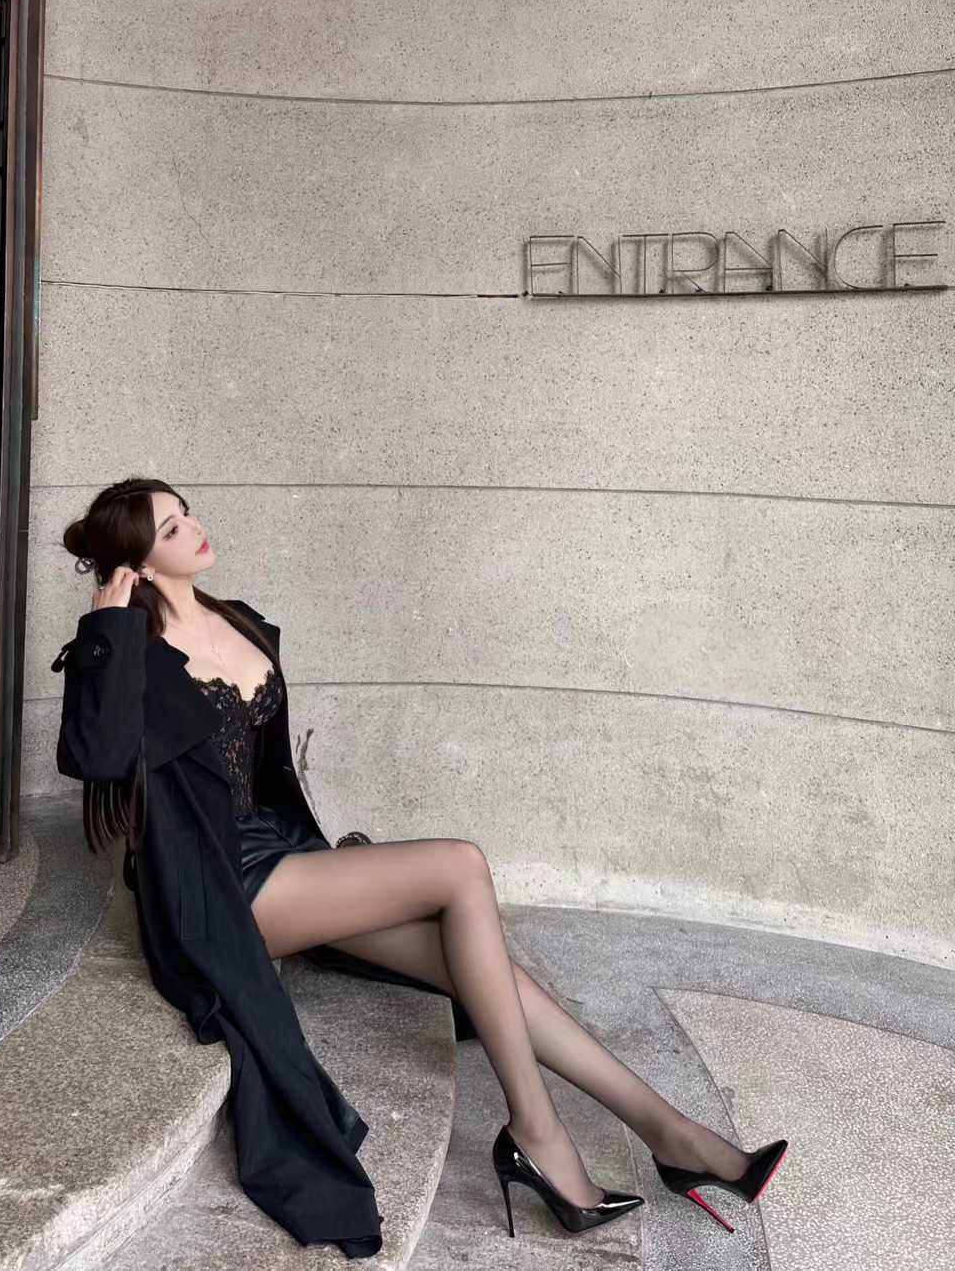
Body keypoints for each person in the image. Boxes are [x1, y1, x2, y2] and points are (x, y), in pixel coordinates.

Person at [54, 476, 787, 1256]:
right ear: (138, 563)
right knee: (460, 868)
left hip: (284, 855)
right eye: (170, 529)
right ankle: (538, 1133)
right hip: (217, 886)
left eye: (185, 510)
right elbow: (94, 756)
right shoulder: (133, 654)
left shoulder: (239, 620)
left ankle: (670, 1133)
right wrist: (109, 631)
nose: (195, 527)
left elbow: (264, 774)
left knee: (470, 957)